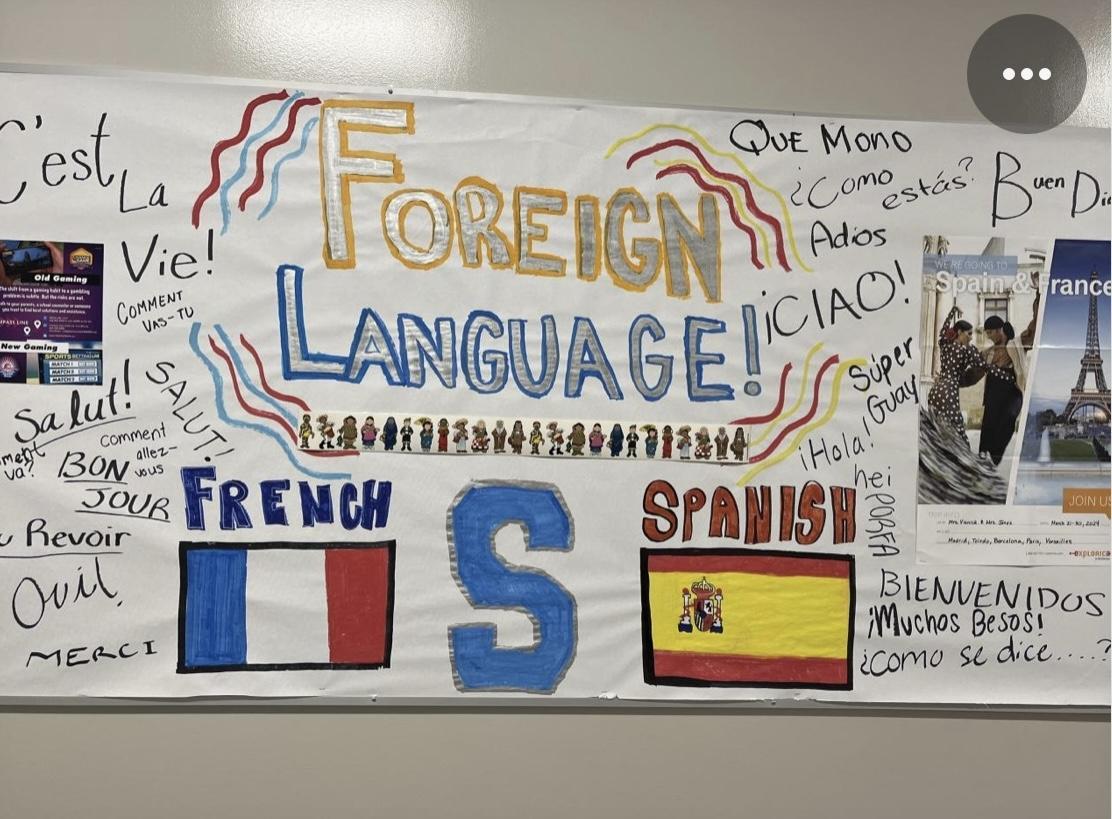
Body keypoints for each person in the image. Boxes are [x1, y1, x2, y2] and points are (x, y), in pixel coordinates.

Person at [926, 306, 981, 443]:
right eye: (969, 334)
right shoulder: (966, 351)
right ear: (960, 332)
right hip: (949, 393)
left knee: (937, 430)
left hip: (936, 391)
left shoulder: (945, 345)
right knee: (958, 432)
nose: (971, 337)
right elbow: (980, 364)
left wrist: (952, 312)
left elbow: (943, 331)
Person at [978, 317, 1026, 466]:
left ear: (1000, 330)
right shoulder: (988, 353)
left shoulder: (1016, 344)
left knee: (1009, 417)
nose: (988, 337)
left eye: (990, 333)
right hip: (993, 388)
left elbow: (1031, 333)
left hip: (1012, 390)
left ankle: (995, 454)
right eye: (987, 333)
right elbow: (975, 372)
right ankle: (984, 452)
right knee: (989, 420)